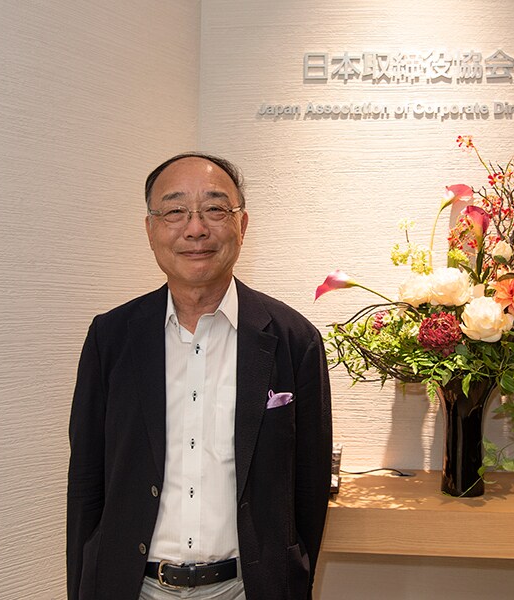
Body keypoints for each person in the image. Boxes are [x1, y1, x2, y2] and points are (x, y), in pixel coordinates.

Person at [67, 153, 332, 600]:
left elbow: (310, 485)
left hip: (248, 589)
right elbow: (86, 483)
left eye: (214, 209)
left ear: (242, 224)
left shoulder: (294, 339)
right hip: (133, 587)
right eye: (175, 211)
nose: (195, 229)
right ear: (150, 229)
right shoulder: (110, 337)